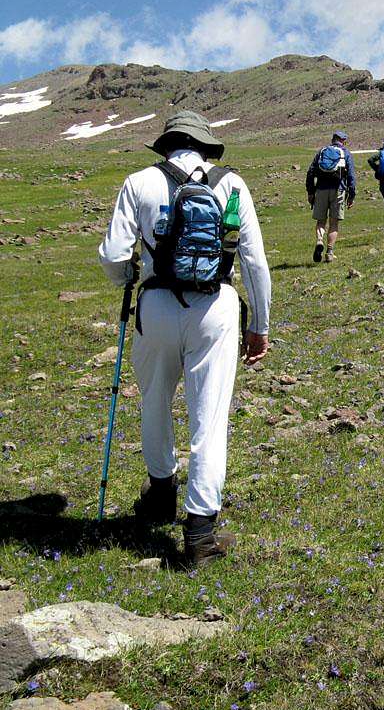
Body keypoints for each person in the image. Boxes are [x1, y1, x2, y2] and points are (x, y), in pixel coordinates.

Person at [98, 110, 272, 567]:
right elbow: (254, 262)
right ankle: (199, 534)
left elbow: (115, 254)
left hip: (155, 305)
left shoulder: (139, 182)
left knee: (154, 401)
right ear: (205, 146)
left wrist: (127, 278)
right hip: (216, 308)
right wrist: (261, 325)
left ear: (167, 143)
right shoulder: (232, 185)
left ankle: (160, 494)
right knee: (209, 418)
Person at [305, 130, 356, 262]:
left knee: (321, 221)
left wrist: (310, 192)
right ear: (343, 141)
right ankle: (329, 252)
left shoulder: (322, 151)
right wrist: (351, 195)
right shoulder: (345, 153)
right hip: (338, 190)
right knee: (334, 223)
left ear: (333, 139)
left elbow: (311, 172)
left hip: (321, 189)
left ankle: (319, 240)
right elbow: (351, 175)